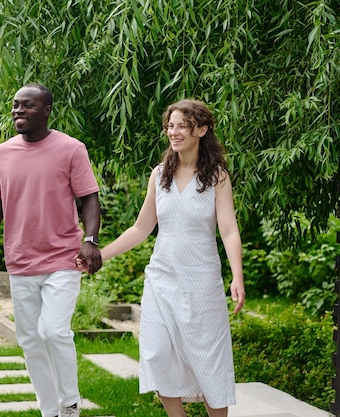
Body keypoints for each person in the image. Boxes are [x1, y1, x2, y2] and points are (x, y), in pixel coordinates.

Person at [90, 99, 245, 417]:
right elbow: (140, 228)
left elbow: (229, 231)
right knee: (156, 353)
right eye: (170, 125)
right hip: (161, 279)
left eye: (182, 126)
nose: (173, 132)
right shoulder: (160, 175)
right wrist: (100, 255)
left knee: (207, 359)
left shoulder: (217, 177)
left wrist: (237, 277)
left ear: (201, 130)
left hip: (201, 281)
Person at [0, 83, 102, 417]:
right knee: (30, 340)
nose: (18, 111)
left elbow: (90, 198)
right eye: (15, 105)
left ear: (46, 111)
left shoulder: (71, 149)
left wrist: (91, 239)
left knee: (53, 331)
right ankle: (49, 410)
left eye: (27, 105)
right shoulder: (3, 153)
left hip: (63, 258)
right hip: (21, 260)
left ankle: (70, 403)